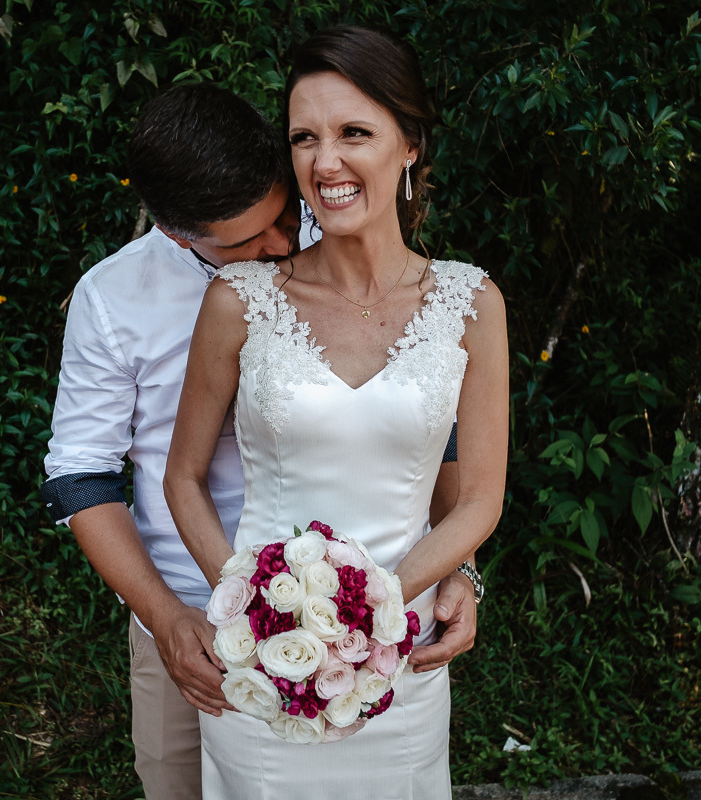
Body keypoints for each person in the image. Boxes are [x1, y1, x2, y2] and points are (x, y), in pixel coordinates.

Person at [42, 83, 478, 800]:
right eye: (245, 242)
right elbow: (83, 477)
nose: (281, 246)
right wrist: (166, 617)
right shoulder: (112, 299)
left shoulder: (343, 235)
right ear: (177, 231)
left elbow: (428, 416)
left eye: (282, 216)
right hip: (191, 620)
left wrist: (461, 567)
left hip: (375, 620)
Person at [163, 26, 508, 800]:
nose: (325, 164)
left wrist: (377, 608)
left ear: (410, 145)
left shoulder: (472, 305)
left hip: (400, 667)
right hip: (263, 670)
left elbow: (481, 497)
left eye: (355, 133)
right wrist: (251, 612)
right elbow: (181, 478)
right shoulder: (240, 301)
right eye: (304, 138)